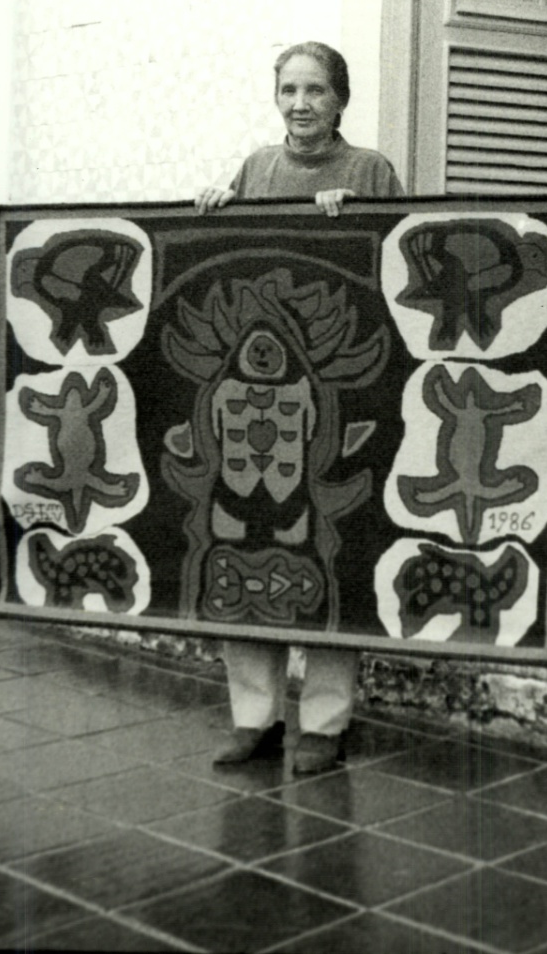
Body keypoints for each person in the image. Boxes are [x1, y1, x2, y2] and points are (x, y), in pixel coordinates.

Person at [194, 40, 403, 774]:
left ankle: (325, 722)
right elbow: (232, 270)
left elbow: (396, 267)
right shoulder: (256, 167)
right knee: (243, 545)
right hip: (259, 399)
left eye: (316, 90)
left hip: (341, 395)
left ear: (341, 99)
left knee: (334, 551)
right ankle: (254, 718)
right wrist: (216, 210)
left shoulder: (371, 168)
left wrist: (354, 223)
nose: (301, 104)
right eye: (288, 90)